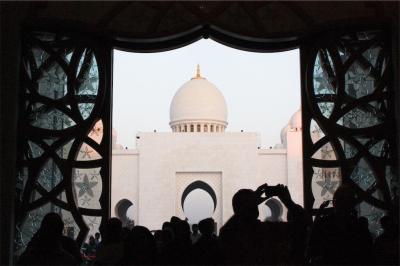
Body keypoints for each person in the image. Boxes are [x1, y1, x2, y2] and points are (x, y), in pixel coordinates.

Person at [219, 183, 303, 265]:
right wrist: (289, 202)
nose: (255, 204)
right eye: (251, 202)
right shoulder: (267, 230)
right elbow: (301, 225)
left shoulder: (231, 232)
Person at [307, 184, 374, 265]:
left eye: (347, 200)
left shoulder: (323, 224)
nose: (344, 204)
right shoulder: (359, 227)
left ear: (334, 202)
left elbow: (312, 251)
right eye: (343, 200)